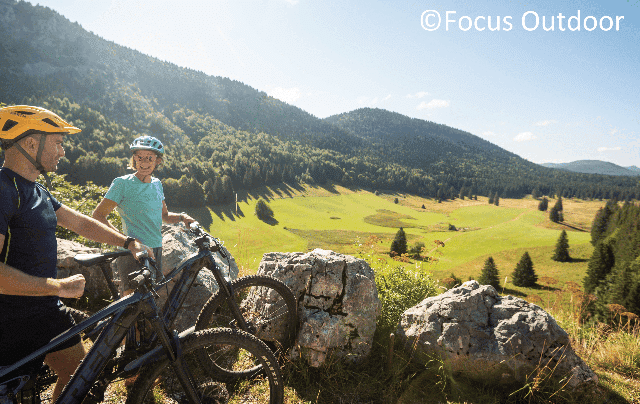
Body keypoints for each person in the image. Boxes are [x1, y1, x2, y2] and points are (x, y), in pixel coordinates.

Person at [0, 105, 153, 401]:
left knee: (81, 375)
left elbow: (81, 222)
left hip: (43, 311)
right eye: (57, 142)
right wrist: (58, 286)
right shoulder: (4, 190)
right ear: (31, 143)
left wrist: (127, 242)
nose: (63, 151)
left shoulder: (37, 191)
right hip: (10, 322)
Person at [92, 135, 195, 297]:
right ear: (134, 158)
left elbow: (165, 216)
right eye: (140, 157)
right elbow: (98, 215)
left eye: (150, 158)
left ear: (158, 161)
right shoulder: (122, 184)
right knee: (131, 303)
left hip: (155, 250)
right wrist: (127, 241)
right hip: (132, 253)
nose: (145, 163)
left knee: (149, 303)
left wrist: (183, 217)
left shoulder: (157, 184)